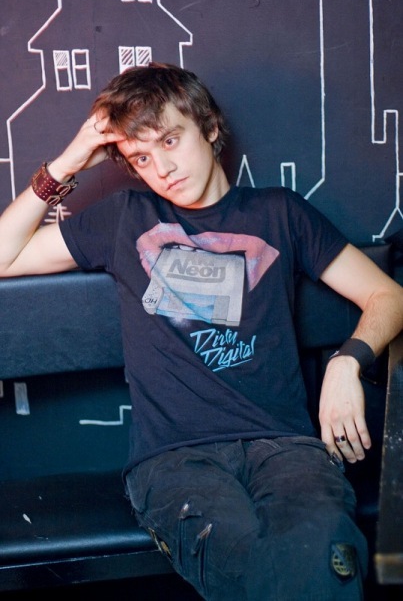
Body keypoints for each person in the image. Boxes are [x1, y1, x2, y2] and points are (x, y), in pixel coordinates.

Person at [0, 62, 402, 601]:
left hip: (284, 447)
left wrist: (348, 361)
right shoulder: (125, 217)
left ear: (210, 127)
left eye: (170, 140)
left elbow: (389, 296)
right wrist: (70, 160)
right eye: (142, 158)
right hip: (175, 460)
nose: (163, 168)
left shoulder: (279, 213)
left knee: (321, 549)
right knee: (255, 563)